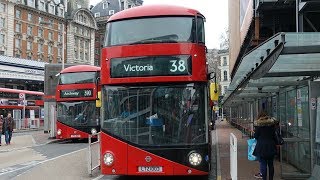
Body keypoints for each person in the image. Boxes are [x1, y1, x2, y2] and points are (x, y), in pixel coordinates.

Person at [253, 111, 277, 180]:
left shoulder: (259, 127)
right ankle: (271, 179)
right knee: (271, 164)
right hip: (271, 147)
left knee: (263, 164)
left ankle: (264, 178)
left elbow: (256, 136)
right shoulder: (272, 126)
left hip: (261, 147)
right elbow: (274, 137)